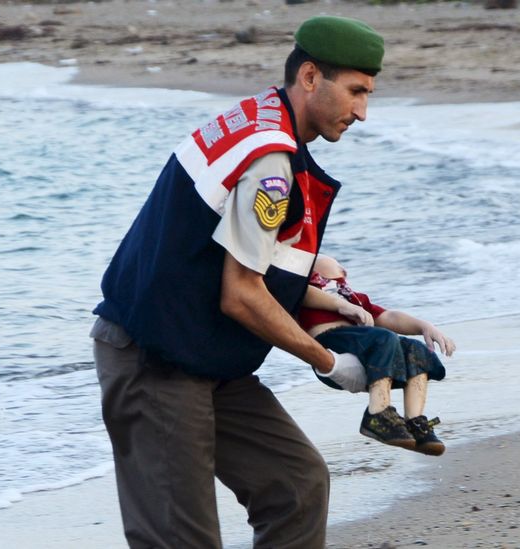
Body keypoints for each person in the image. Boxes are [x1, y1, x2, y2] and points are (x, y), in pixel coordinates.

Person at [90, 16, 385, 549]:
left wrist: (325, 297)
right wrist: (329, 363)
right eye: (356, 91)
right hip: (153, 359)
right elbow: (242, 294)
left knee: (296, 487)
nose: (362, 112)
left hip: (206, 355)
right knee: (181, 539)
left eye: (368, 94)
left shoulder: (263, 117)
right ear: (311, 77)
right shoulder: (271, 159)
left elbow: (247, 256)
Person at [299, 254, 456, 456]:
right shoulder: (306, 289)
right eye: (336, 264)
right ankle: (378, 413)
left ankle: (414, 422)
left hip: (366, 348)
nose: (342, 269)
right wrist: (341, 305)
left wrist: (424, 326)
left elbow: (388, 316)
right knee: (384, 338)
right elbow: (302, 292)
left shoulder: (353, 298)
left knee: (415, 349)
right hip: (330, 342)